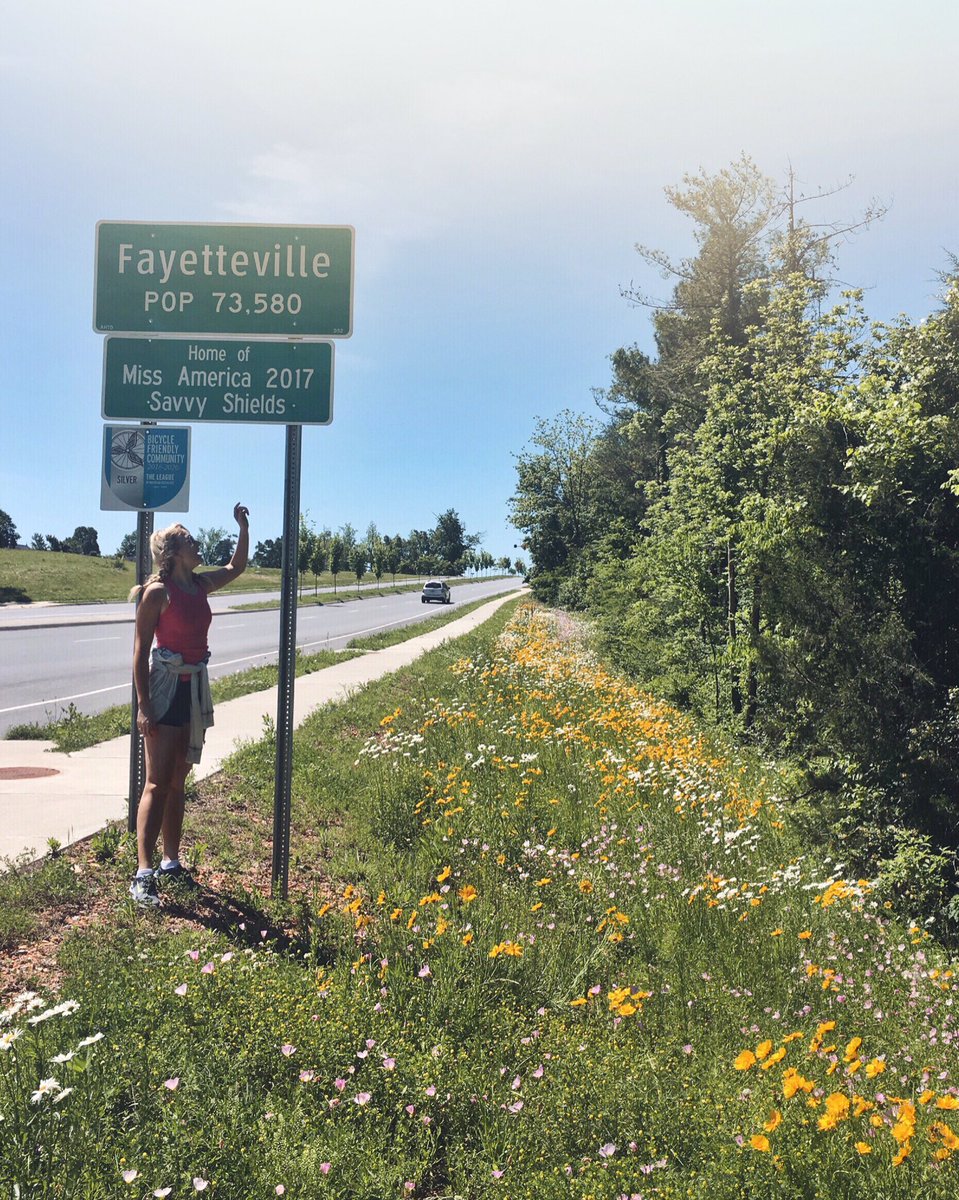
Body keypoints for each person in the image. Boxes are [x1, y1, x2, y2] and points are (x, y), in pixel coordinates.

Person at [127, 504, 250, 905]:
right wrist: (144, 707)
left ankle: (170, 862)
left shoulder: (198, 585)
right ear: (174, 553)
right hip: (165, 688)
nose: (199, 545)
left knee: (179, 781)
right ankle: (143, 874)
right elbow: (140, 651)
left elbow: (236, 568)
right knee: (158, 782)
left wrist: (242, 528)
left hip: (193, 685)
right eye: (192, 541)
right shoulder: (157, 593)